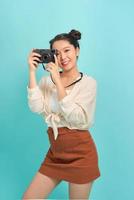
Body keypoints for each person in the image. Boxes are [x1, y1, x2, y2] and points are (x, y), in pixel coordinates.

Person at [22, 29, 101, 199]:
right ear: (52, 56)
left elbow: (77, 119)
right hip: (56, 153)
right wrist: (31, 72)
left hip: (81, 154)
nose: (63, 57)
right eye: (56, 53)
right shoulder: (46, 81)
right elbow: (36, 108)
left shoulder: (88, 83)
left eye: (67, 50)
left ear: (77, 50)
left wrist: (58, 82)